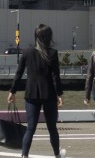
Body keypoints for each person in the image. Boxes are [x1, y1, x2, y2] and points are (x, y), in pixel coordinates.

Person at [7, 24, 66, 158]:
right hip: (49, 94)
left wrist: (13, 91)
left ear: (36, 36)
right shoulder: (52, 53)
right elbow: (56, 76)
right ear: (49, 37)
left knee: (31, 127)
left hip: (31, 93)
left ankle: (24, 155)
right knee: (52, 128)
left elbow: (19, 73)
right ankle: (57, 154)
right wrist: (60, 94)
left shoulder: (27, 52)